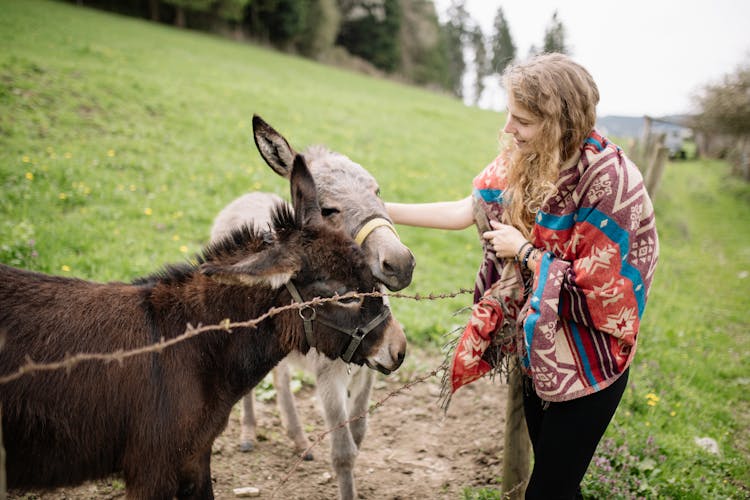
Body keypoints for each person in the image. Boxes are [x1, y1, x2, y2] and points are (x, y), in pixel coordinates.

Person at [386, 53, 659, 499]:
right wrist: (379, 209)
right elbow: (466, 208)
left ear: (559, 122)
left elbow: (606, 297)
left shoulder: (613, 183)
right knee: (558, 486)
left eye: (523, 120)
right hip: (541, 350)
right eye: (509, 115)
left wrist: (526, 252)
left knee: (547, 490)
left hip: (593, 361)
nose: (509, 129)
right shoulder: (526, 158)